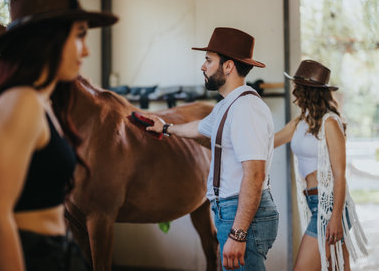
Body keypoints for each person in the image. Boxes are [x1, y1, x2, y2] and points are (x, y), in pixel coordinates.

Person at [0, 0, 118, 271]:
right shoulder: (20, 102)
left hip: (55, 254)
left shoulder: (40, 100)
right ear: (48, 39)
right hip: (34, 256)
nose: (86, 50)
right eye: (79, 36)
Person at [145, 27, 278, 270]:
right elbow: (199, 128)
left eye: (208, 60)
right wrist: (166, 128)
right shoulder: (227, 106)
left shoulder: (246, 109)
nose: (203, 67)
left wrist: (238, 235)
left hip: (242, 213)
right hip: (231, 210)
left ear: (228, 66)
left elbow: (255, 175)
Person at [275, 60, 368, 270]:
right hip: (313, 202)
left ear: (307, 91)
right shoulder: (300, 122)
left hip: (329, 207)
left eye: (297, 86)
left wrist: (335, 218)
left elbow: (339, 174)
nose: (294, 90)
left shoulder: (330, 122)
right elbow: (270, 142)